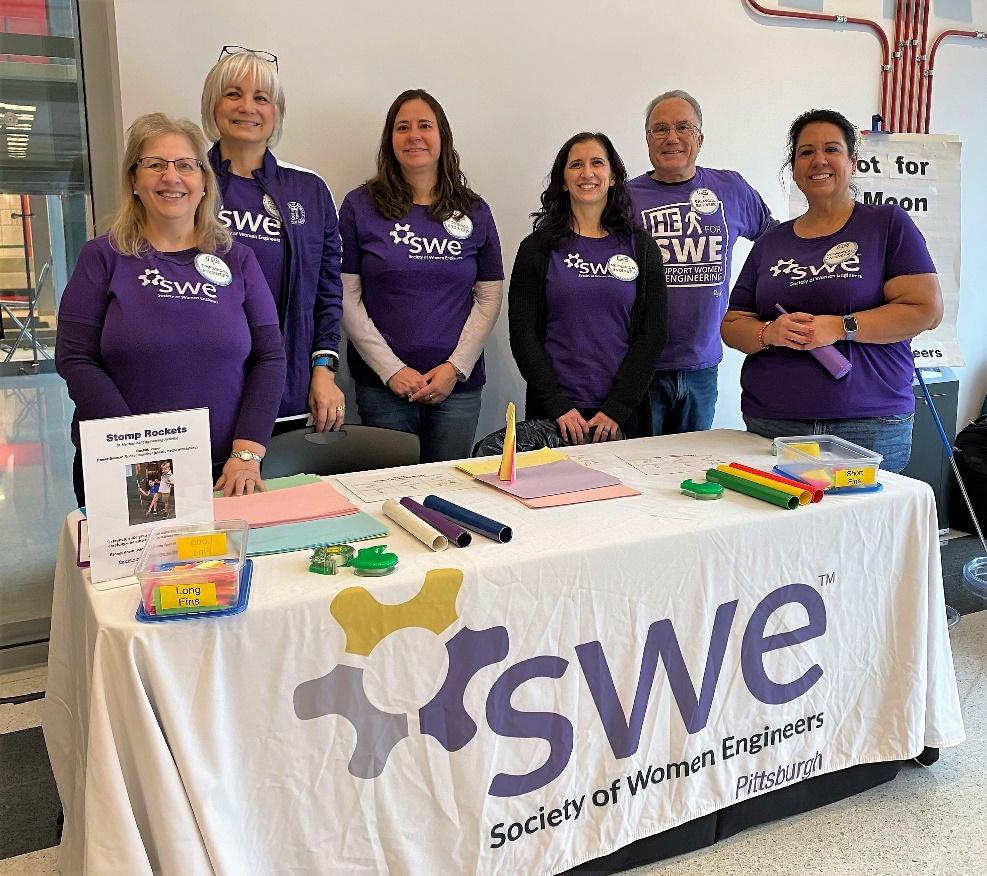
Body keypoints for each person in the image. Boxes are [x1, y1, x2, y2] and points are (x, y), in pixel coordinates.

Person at [55, 113, 286, 504]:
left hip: (224, 470)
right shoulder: (102, 256)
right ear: (134, 180)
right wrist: (139, 453)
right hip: (125, 466)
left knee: (221, 565)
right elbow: (75, 358)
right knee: (138, 568)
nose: (171, 177)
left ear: (203, 181)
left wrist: (247, 454)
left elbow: (269, 357)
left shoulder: (239, 259)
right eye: (155, 165)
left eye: (185, 165)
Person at [721, 109, 943, 472]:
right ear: (793, 168)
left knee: (865, 526)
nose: (818, 160)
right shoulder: (772, 242)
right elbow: (733, 323)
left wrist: (840, 327)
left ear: (852, 161)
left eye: (831, 150)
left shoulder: (886, 224)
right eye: (806, 152)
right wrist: (769, 332)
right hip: (775, 422)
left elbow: (925, 310)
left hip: (867, 423)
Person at [339, 89, 503, 462]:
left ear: (442, 137)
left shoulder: (474, 210)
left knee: (449, 492)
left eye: (425, 126)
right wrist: (392, 370)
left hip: (456, 388)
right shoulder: (359, 206)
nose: (414, 135)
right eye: (403, 127)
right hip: (384, 389)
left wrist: (455, 367)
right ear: (389, 140)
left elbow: (489, 297)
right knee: (389, 496)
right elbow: (346, 295)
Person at [201, 46, 344, 433]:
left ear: (276, 112)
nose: (247, 106)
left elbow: (327, 295)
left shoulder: (310, 191)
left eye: (261, 98)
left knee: (284, 493)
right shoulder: (185, 181)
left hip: (287, 394)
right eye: (233, 94)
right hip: (204, 394)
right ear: (212, 106)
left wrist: (324, 370)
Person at [628, 89, 775, 434]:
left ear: (700, 138)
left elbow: (774, 243)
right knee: (638, 469)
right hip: (639, 366)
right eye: (660, 129)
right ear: (647, 139)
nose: (672, 138)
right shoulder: (622, 198)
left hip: (703, 366)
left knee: (691, 469)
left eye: (683, 128)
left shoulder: (731, 188)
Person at [509, 132, 667, 443]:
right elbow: (523, 332)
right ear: (563, 181)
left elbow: (654, 333)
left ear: (612, 177)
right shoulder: (536, 249)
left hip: (621, 415)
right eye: (576, 165)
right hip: (555, 414)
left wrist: (618, 407)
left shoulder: (642, 248)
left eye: (597, 163)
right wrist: (557, 405)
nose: (587, 173)